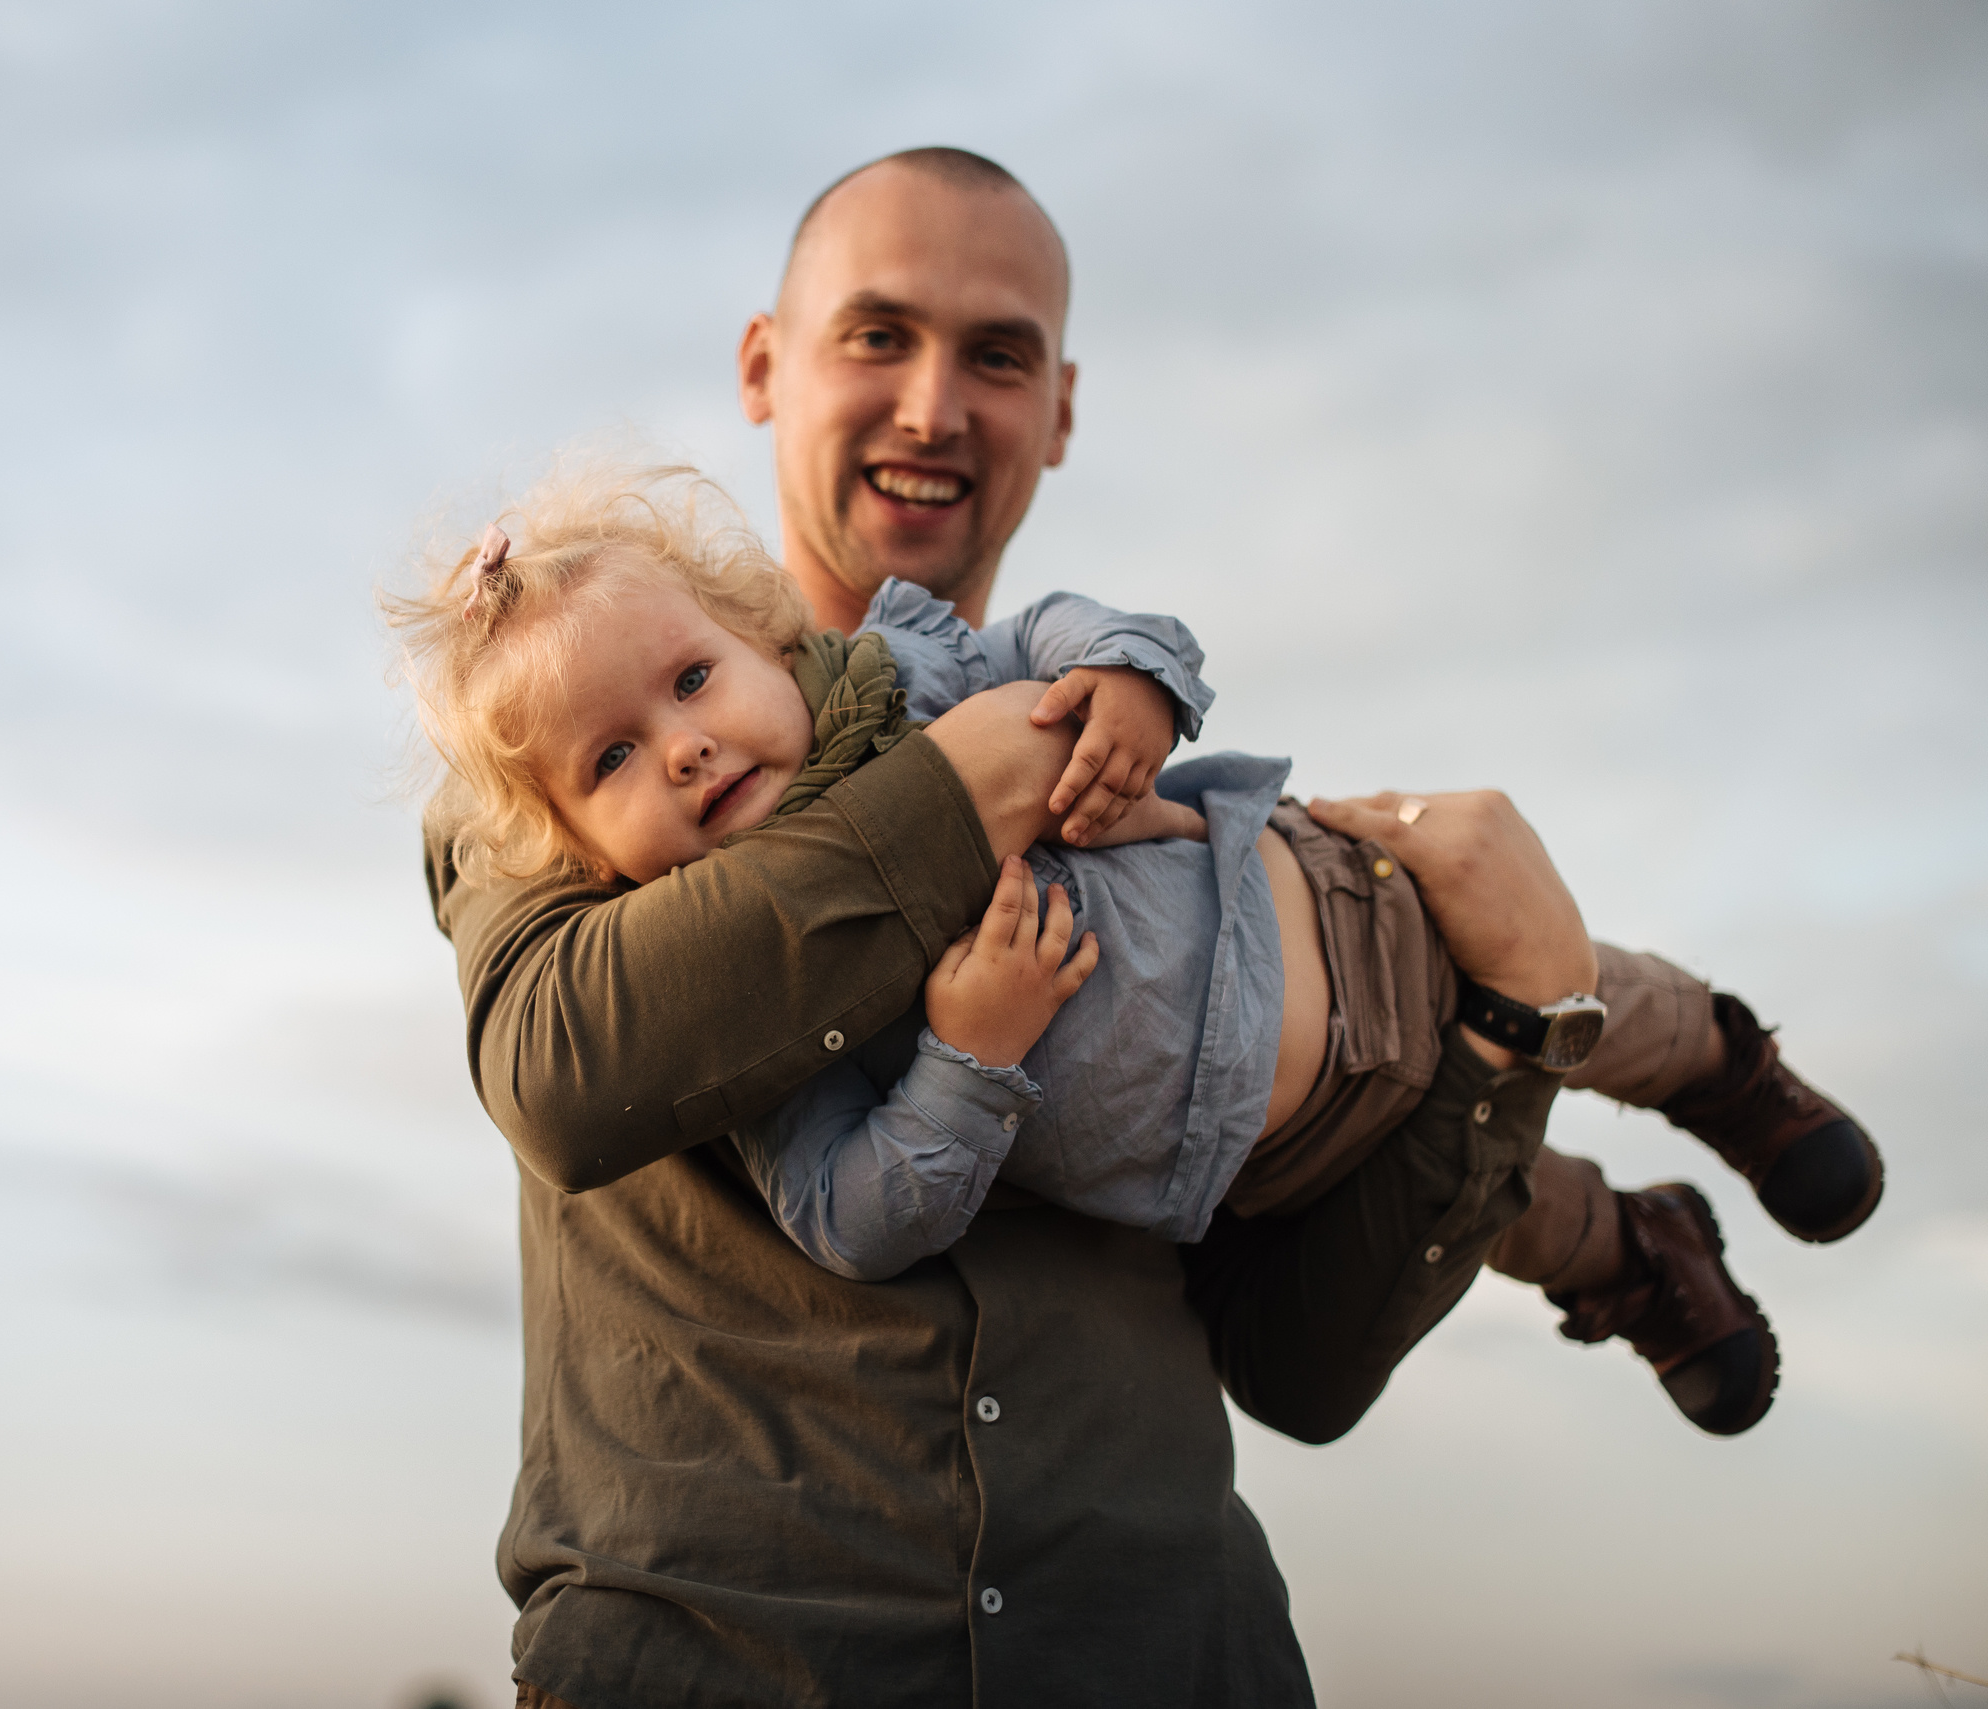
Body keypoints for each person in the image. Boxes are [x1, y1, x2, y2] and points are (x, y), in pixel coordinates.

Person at [412, 148, 1857, 1708]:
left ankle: (1671, 1152)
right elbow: (570, 1070)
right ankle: (1624, 1231)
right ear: (765, 364)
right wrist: (967, 802)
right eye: (878, 335)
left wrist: (1517, 1027)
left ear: (1062, 409)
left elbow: (1304, 1364)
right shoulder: (554, 755)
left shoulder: (1109, 773)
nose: (931, 405)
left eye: (999, 354)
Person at [388, 461, 1882, 1445]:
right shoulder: (741, 1010)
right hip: (1279, 1150)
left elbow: (1067, 624)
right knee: (1479, 1171)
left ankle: (1735, 1073)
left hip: (1334, 898)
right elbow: (848, 1208)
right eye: (616, 761)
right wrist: (965, 1061)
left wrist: (1129, 681)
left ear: (764, 639)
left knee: (1594, 989)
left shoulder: (908, 672)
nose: (689, 744)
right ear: (577, 856)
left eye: (695, 679)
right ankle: (1632, 1248)